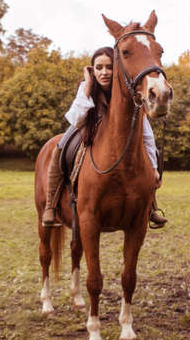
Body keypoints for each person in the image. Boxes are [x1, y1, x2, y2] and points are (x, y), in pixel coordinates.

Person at [42, 47, 167, 227]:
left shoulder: (127, 90)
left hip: (121, 138)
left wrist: (154, 168)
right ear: (92, 70)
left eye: (109, 67)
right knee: (60, 147)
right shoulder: (86, 87)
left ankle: (151, 206)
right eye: (99, 67)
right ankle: (50, 206)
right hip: (88, 129)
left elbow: (145, 130)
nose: (104, 72)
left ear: (116, 69)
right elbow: (74, 119)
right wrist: (87, 86)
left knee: (149, 152)